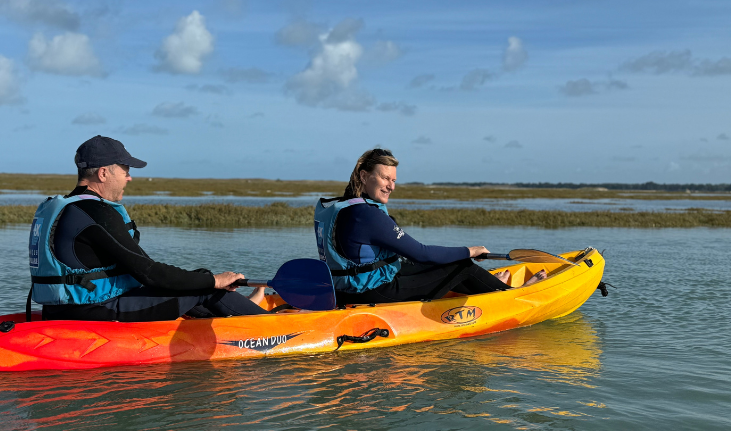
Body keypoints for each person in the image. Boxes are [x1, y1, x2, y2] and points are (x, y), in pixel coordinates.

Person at [28, 135, 268, 322]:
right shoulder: (96, 212)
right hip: (94, 312)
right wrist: (214, 281)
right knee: (206, 288)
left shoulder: (67, 208)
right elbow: (150, 274)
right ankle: (268, 325)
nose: (129, 178)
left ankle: (229, 318)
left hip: (58, 310)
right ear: (103, 173)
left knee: (199, 278)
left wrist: (206, 278)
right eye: (125, 170)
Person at [313, 148, 546, 305]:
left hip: (344, 288)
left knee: (446, 264)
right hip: (373, 292)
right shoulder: (367, 215)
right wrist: (471, 251)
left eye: (393, 180)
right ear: (364, 176)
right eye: (385, 178)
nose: (391, 186)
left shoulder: (341, 206)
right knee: (461, 265)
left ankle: (489, 289)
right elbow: (422, 254)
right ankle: (507, 298)